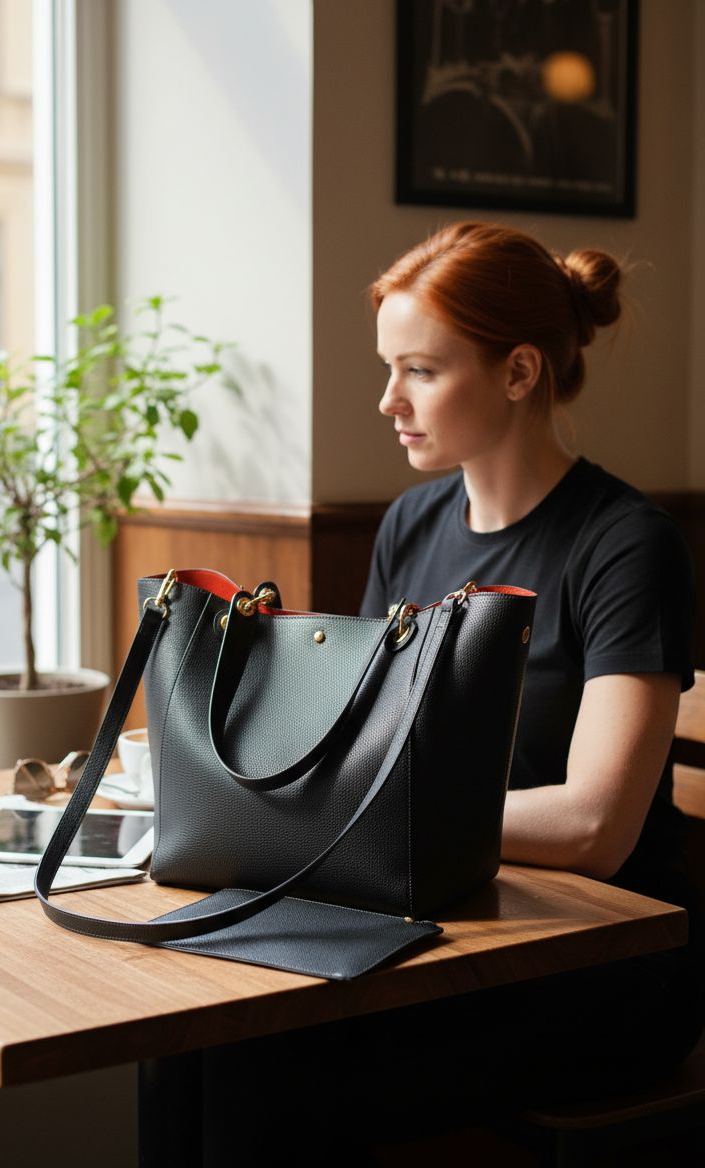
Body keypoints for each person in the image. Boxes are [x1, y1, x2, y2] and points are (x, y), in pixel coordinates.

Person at [203, 222, 703, 1167]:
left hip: (604, 960)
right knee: (192, 1037)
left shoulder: (627, 546)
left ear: (519, 373)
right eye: (389, 368)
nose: (388, 399)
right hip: (452, 908)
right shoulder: (411, 521)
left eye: (421, 371)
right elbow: (361, 742)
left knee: (263, 1072)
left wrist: (372, 809)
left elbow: (598, 828)